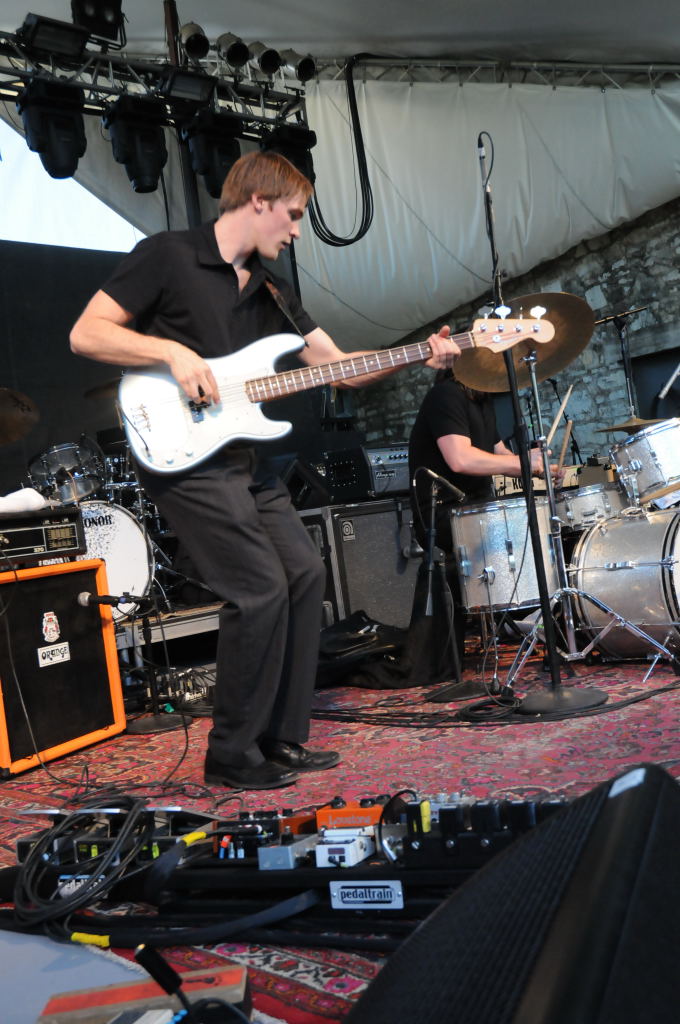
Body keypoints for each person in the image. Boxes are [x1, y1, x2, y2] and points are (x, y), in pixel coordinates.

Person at [70, 150, 459, 792]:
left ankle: (278, 737)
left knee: (305, 574)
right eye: (294, 214)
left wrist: (419, 354)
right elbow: (87, 334)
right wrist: (170, 353)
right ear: (259, 201)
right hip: (184, 456)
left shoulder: (275, 290)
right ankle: (230, 753)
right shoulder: (168, 255)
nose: (298, 230)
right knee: (258, 589)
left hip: (247, 460)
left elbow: (339, 367)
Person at [408, 370, 559, 662]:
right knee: (521, 528)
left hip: (475, 508)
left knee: (539, 521)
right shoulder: (446, 395)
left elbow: (498, 452)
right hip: (444, 513)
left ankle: (532, 617)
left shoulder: (482, 401)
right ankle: (522, 617)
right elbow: (460, 458)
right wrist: (523, 463)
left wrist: (540, 465)